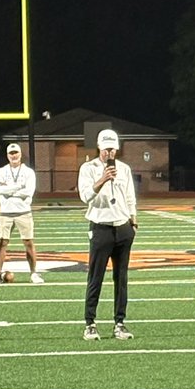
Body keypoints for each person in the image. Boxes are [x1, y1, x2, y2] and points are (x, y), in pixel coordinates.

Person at [77, 129, 137, 341]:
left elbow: (130, 196)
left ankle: (119, 322)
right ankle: (90, 323)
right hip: (100, 226)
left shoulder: (125, 169)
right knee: (96, 277)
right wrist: (102, 179)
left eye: (112, 149)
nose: (109, 153)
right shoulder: (88, 168)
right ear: (99, 148)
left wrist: (133, 219)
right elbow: (85, 196)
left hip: (122, 227)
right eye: (106, 149)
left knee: (121, 279)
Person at [0, 143, 44, 285]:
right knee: (2, 242)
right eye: (11, 153)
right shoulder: (1, 172)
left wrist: (8, 189)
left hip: (23, 211)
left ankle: (34, 273)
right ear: (7, 155)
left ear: (20, 154)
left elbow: (28, 192)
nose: (14, 155)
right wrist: (18, 187)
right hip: (5, 211)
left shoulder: (28, 172)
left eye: (16, 153)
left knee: (28, 242)